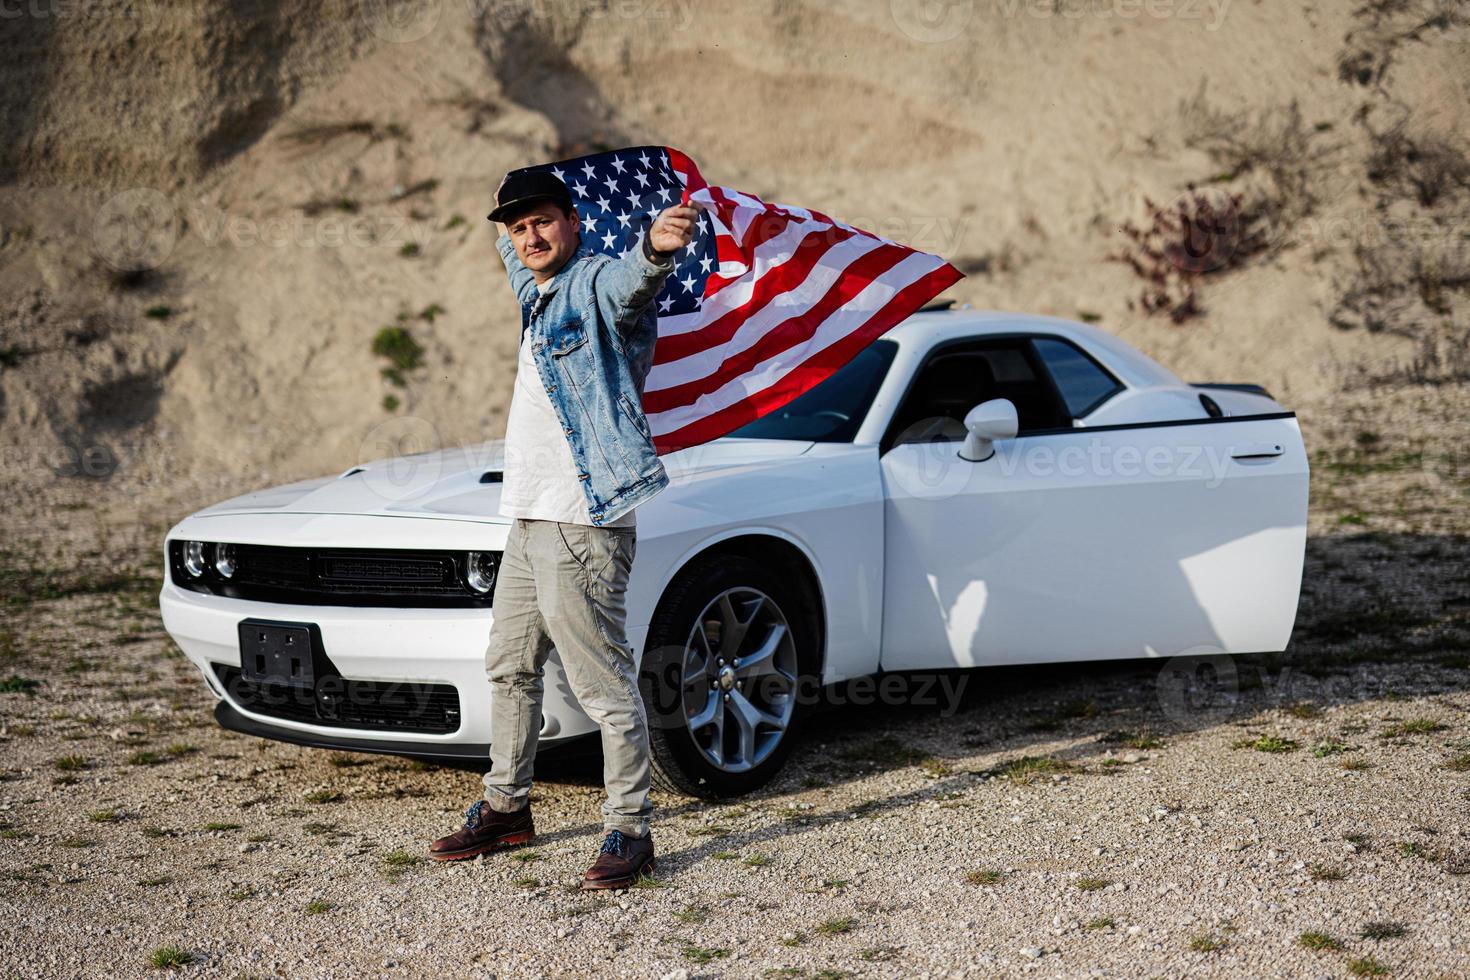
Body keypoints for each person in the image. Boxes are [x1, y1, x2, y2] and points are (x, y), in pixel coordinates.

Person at [428, 167, 700, 890]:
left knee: (602, 682)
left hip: (583, 517)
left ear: (575, 222)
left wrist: (656, 247)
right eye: (517, 229)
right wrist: (513, 200)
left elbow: (631, 285)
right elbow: (510, 246)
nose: (529, 237)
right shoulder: (533, 286)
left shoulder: (597, 281)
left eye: (543, 221)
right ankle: (507, 806)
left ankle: (630, 830)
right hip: (527, 517)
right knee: (509, 666)